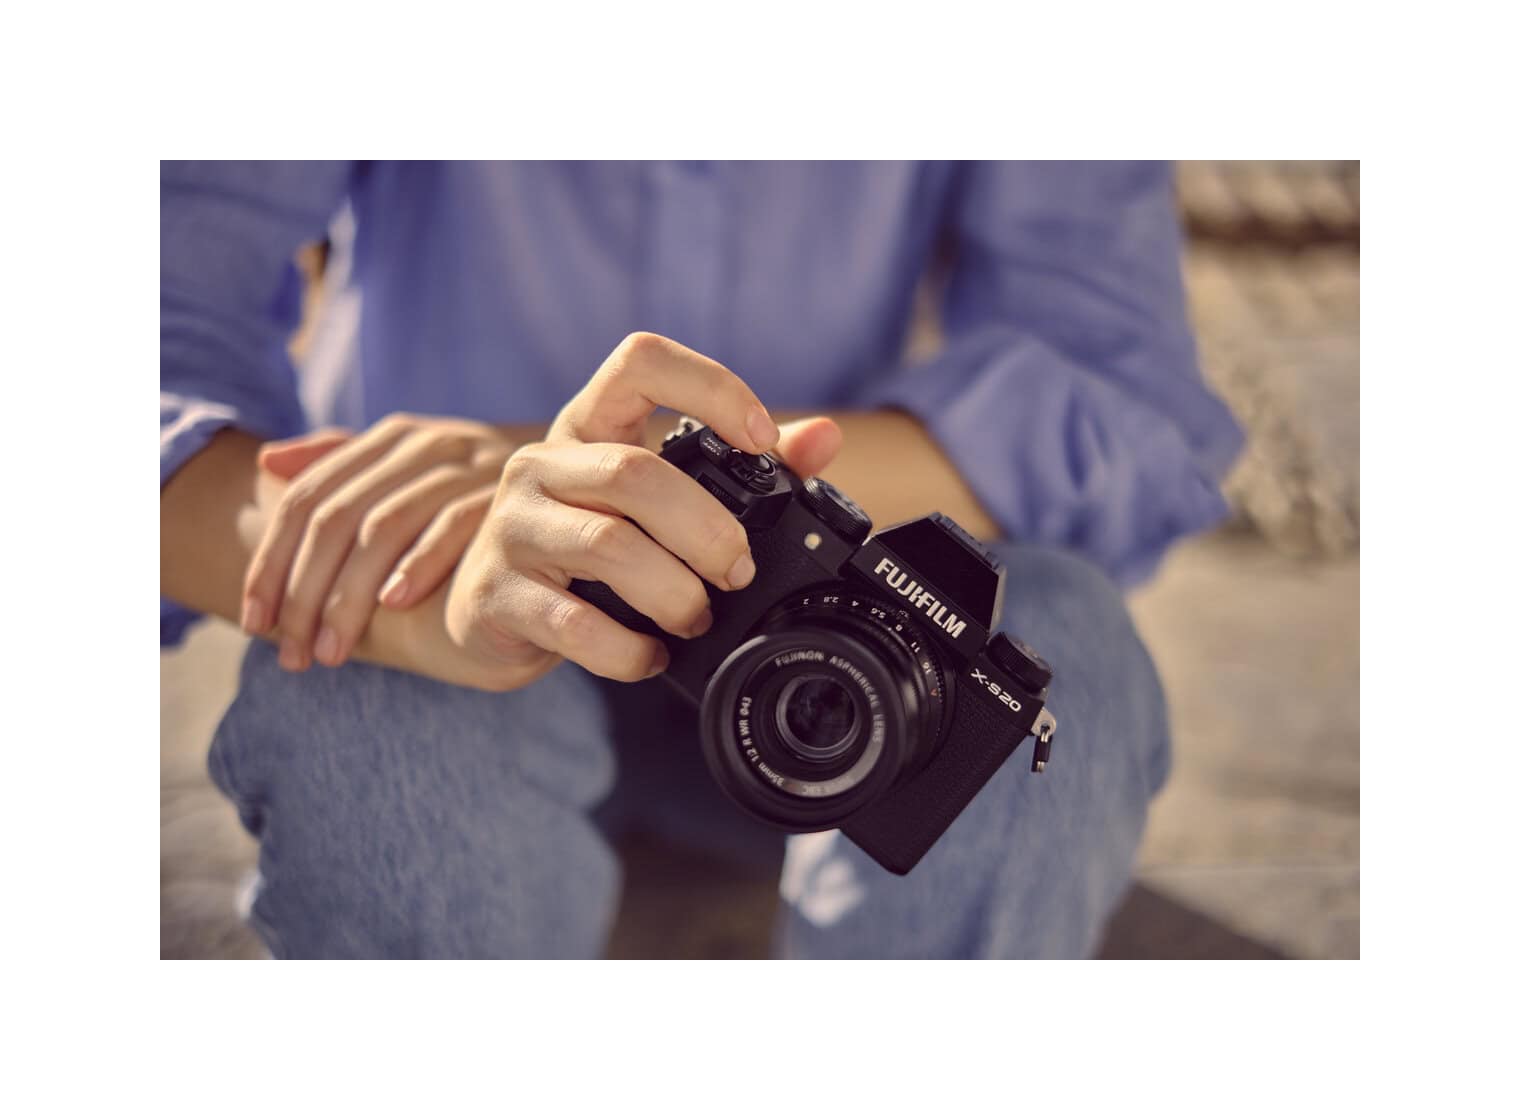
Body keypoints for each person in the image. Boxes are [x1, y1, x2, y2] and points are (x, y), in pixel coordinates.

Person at [160, 161, 1241, 958]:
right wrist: (411, 591)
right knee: (364, 700)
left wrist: (580, 473)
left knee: (1061, 651)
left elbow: (1121, 394)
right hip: (469, 610)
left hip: (838, 642)